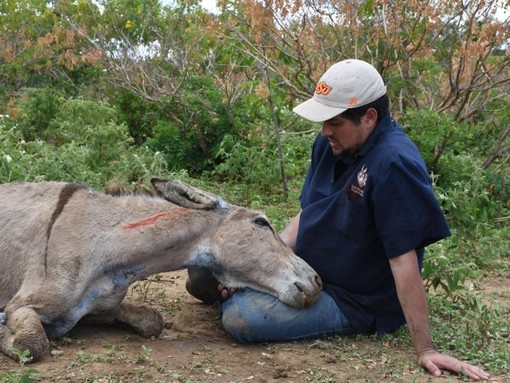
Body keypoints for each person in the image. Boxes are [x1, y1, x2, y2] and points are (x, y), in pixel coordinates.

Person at [186, 59, 490, 381]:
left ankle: (241, 298)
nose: (324, 130)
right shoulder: (332, 142)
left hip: (353, 298)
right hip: (305, 266)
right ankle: (240, 289)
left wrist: (425, 349)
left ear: (369, 117)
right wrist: (258, 265)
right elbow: (309, 213)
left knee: (243, 317)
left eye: (334, 121)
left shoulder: (394, 164)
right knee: (204, 269)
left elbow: (404, 261)